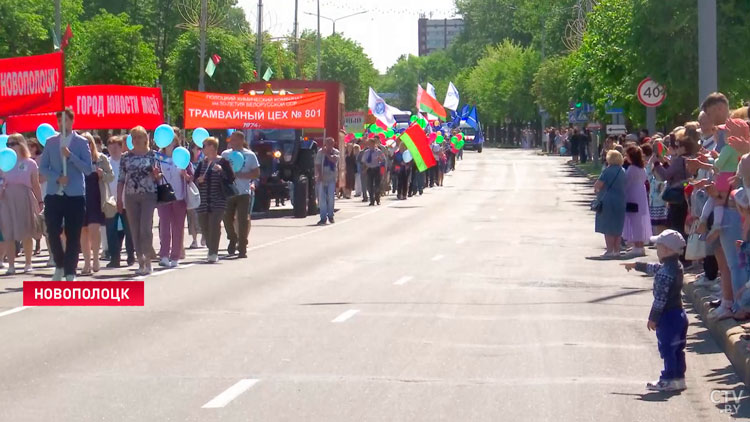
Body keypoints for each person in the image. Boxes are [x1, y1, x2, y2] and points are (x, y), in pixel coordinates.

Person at [622, 229, 687, 392]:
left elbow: (660, 299)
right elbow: (655, 268)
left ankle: (668, 379)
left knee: (667, 349)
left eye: (658, 247)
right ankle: (679, 378)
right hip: (679, 314)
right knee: (678, 348)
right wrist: (636, 265)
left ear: (666, 250)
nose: (656, 250)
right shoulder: (676, 266)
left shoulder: (665, 273)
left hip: (668, 316)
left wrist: (653, 318)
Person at [39, 108, 93, 281]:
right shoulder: (50, 142)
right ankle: (60, 265)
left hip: (75, 195)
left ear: (72, 121)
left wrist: (71, 156)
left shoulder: (81, 142)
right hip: (54, 194)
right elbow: (43, 167)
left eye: (66, 120)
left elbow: (88, 168)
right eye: (59, 121)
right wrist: (56, 178)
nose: (63, 124)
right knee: (52, 230)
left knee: (73, 233)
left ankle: (70, 270)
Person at [117, 126, 160, 276]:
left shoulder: (152, 155)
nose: (136, 140)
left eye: (139, 137)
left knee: (145, 228)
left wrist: (156, 174)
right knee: (134, 230)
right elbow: (121, 179)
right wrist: (119, 199)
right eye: (134, 137)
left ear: (145, 139)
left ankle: (148, 259)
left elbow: (158, 177)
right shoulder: (126, 157)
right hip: (130, 196)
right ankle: (140, 260)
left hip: (149, 194)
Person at [0, 134, 43, 275]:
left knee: (26, 230)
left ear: (20, 144)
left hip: (24, 196)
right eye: (8, 144)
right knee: (9, 232)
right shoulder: (3, 161)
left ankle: (28, 263)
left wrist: (40, 201)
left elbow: (36, 184)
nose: (10, 146)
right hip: (6, 198)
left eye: (13, 143)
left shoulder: (30, 163)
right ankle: (11, 265)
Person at [194, 137, 235, 263]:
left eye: (205, 146)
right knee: (204, 226)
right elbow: (195, 180)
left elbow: (231, 178)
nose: (203, 148)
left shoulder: (223, 162)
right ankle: (211, 246)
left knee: (214, 226)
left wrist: (221, 171)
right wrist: (198, 180)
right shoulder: (202, 163)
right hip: (203, 200)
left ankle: (213, 252)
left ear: (212, 146)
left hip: (218, 200)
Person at [80, 133, 114, 275]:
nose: (87, 145)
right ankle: (86, 262)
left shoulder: (101, 158)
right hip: (80, 198)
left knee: (94, 229)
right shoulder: (77, 159)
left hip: (96, 198)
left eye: (89, 142)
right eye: (83, 143)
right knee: (83, 231)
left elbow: (111, 176)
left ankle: (95, 259)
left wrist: (102, 174)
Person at [221, 132, 259, 256]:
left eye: (235, 140)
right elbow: (220, 171)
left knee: (242, 220)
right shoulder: (225, 155)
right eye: (231, 140)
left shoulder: (250, 155)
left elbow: (256, 173)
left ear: (241, 140)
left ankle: (242, 247)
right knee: (227, 219)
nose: (232, 142)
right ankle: (232, 238)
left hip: (244, 192)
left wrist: (242, 175)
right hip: (229, 192)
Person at [157, 133, 192, 267]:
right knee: (164, 227)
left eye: (171, 140)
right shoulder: (158, 158)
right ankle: (164, 255)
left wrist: (186, 175)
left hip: (179, 196)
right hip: (164, 195)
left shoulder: (182, 155)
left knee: (177, 228)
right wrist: (156, 174)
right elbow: (154, 175)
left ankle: (175, 256)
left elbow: (190, 177)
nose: (168, 143)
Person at [104, 136, 135, 268]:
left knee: (129, 231)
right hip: (110, 202)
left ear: (121, 147)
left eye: (116, 146)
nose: (113, 149)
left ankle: (130, 256)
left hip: (126, 201)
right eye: (111, 147)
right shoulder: (106, 162)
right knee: (111, 232)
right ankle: (115, 258)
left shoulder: (126, 161)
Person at [594, 150, 627, 258]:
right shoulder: (623, 171)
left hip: (608, 201)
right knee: (618, 226)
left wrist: (597, 191)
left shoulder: (607, 171)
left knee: (608, 226)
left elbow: (598, 185)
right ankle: (617, 250)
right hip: (621, 201)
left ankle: (609, 251)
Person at [622, 145, 652, 257]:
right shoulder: (642, 168)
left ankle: (638, 246)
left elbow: (626, 182)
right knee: (639, 220)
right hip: (641, 194)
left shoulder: (631, 169)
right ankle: (638, 245)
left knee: (634, 220)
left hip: (633, 194)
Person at [315, 137, 340, 224]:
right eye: (328, 143)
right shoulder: (320, 152)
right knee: (322, 198)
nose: (329, 145)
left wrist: (327, 154)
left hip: (331, 176)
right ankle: (323, 217)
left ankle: (330, 215)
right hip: (322, 176)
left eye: (331, 143)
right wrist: (320, 175)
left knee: (330, 197)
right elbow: (317, 164)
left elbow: (334, 160)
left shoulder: (336, 152)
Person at [187, 142, 204, 248]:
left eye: (199, 148)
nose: (198, 150)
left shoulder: (204, 161)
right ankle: (194, 239)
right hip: (191, 191)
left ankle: (204, 236)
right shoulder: (187, 161)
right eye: (195, 148)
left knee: (202, 215)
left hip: (202, 191)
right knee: (191, 216)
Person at [361, 138, 385, 206]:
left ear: (374, 144)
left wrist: (380, 159)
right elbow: (363, 161)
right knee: (369, 186)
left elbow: (383, 160)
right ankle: (372, 200)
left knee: (377, 186)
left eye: (371, 143)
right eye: (369, 144)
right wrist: (364, 169)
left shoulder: (378, 151)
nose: (370, 145)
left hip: (376, 169)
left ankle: (377, 199)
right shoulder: (366, 152)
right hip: (369, 169)